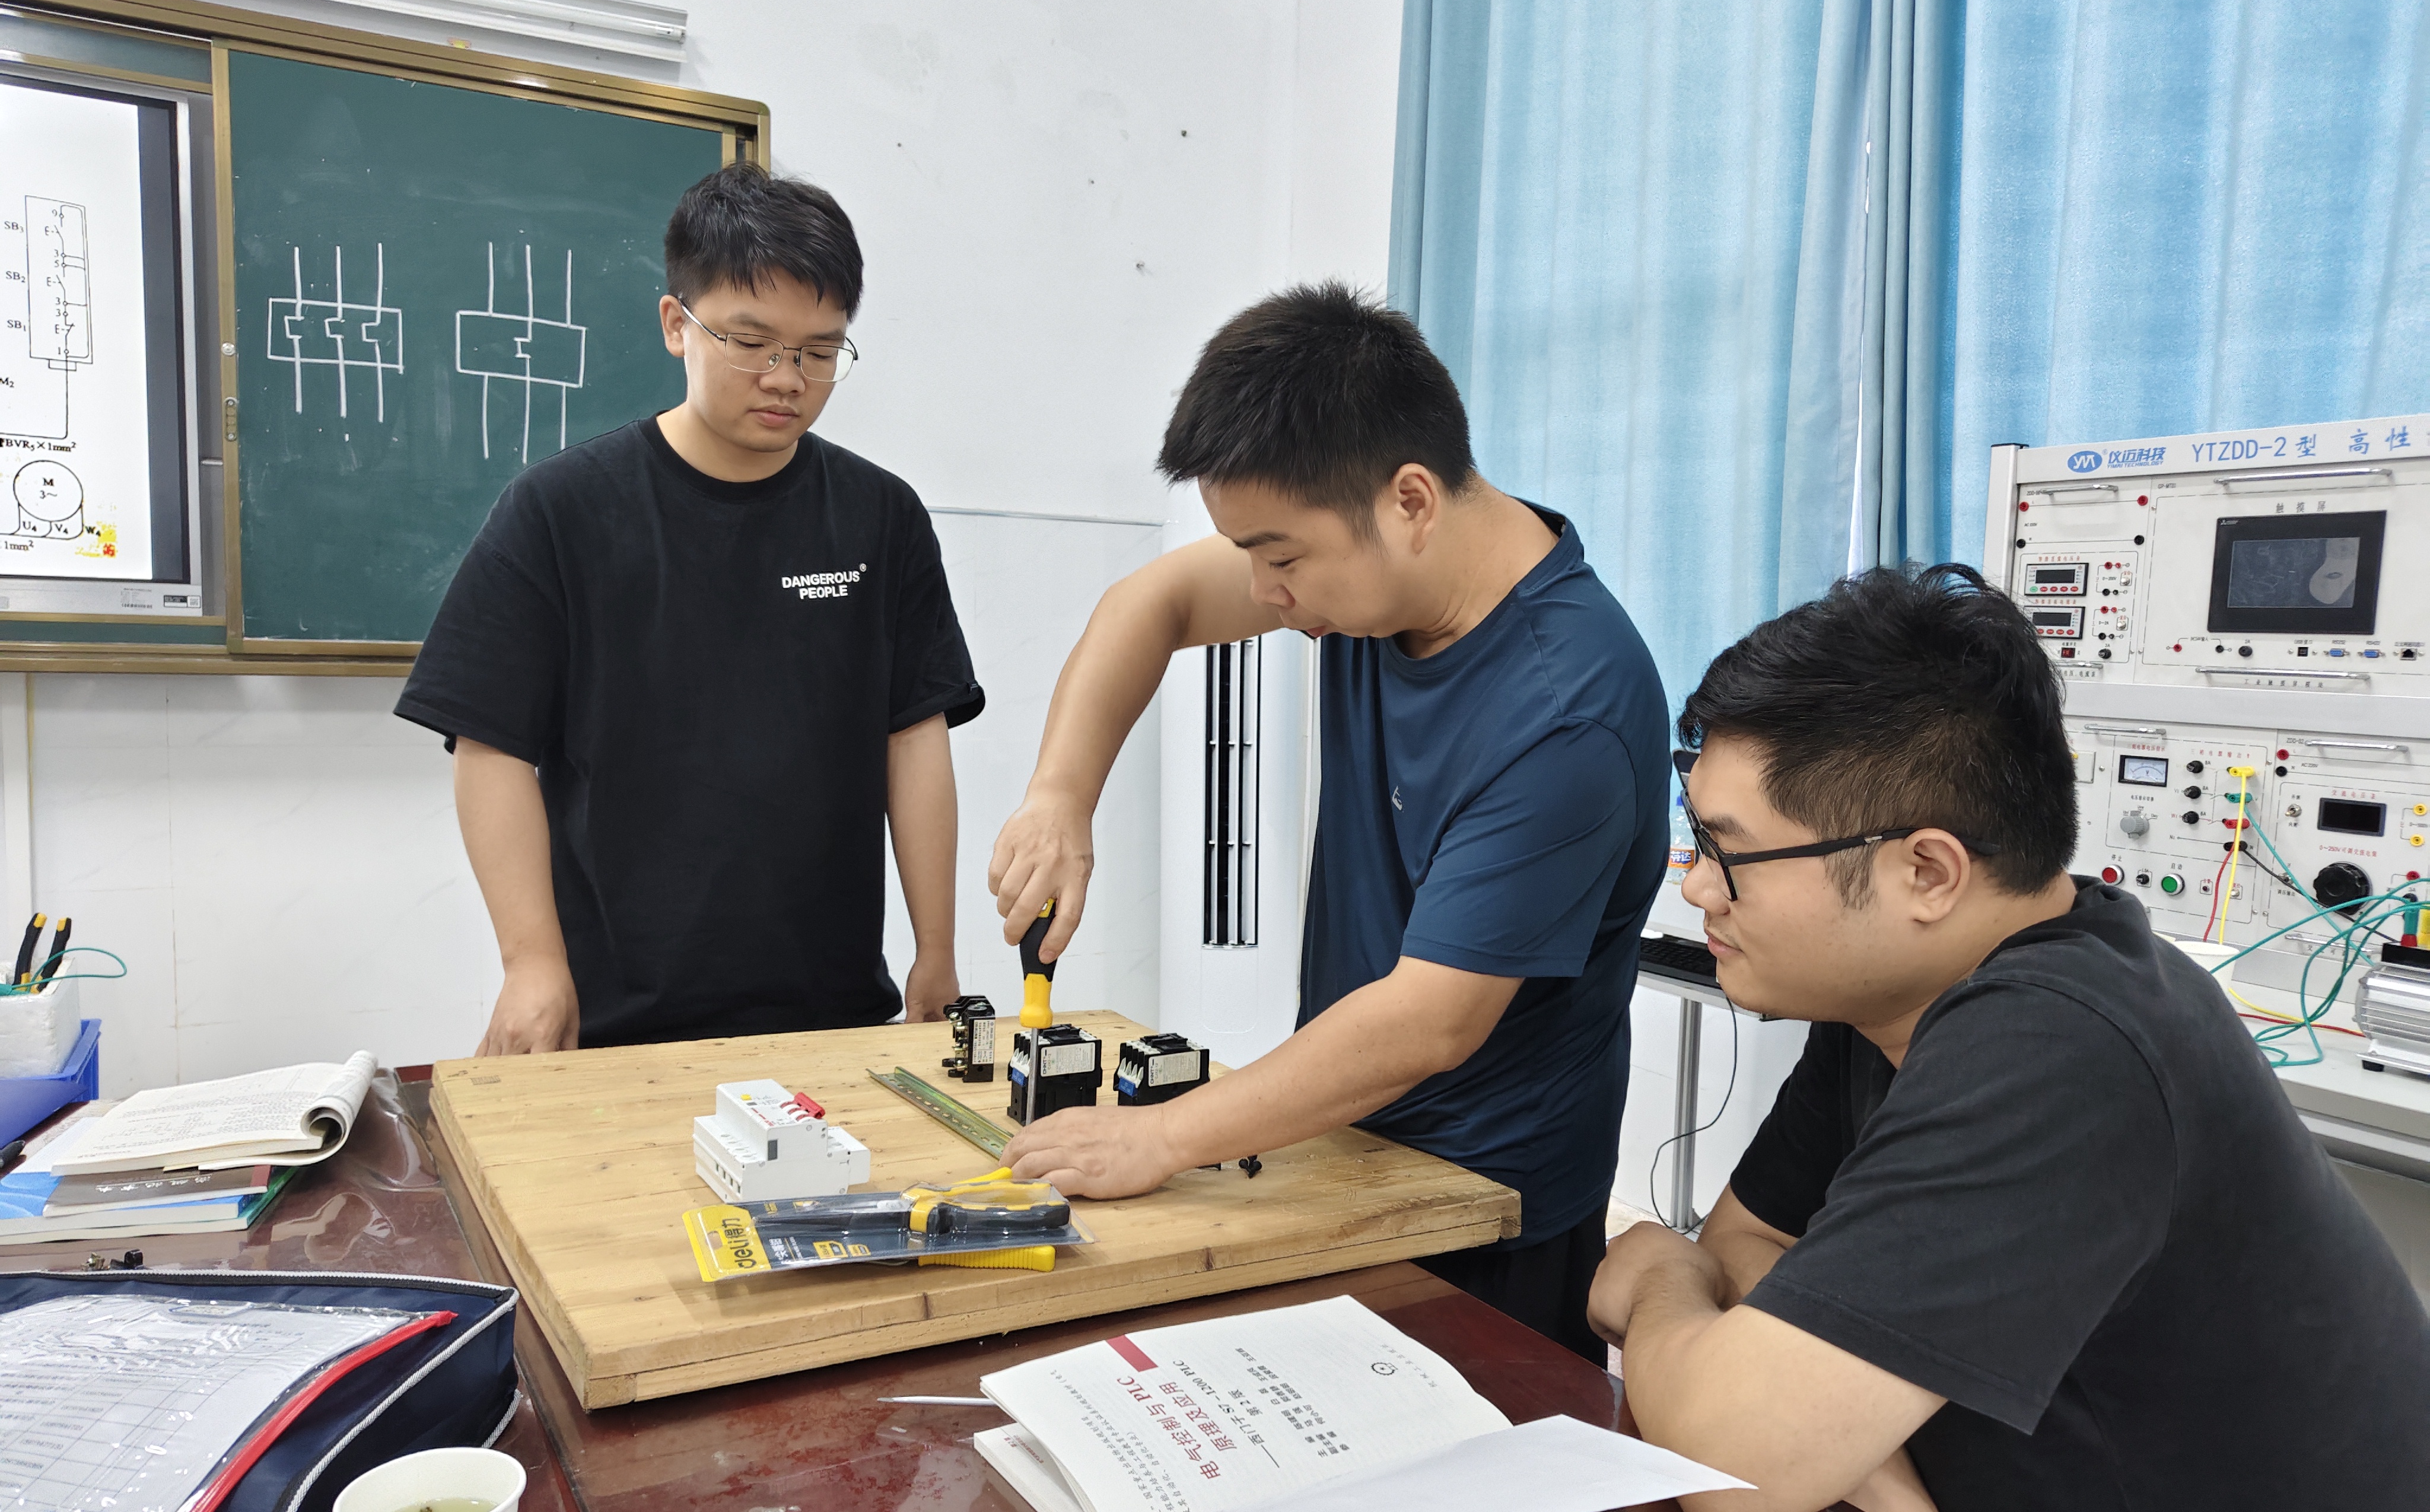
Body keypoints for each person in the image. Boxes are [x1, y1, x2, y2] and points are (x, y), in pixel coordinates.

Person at [1588, 564, 2430, 1512]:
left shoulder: (2063, 1041)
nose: (1697, 888)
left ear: (1927, 872)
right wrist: (1865, 1467)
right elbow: (1751, 1240)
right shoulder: (1899, 999)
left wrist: (1656, 1268)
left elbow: (1730, 1457)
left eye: (1729, 852)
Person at [988, 282, 1668, 1360]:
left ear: (1410, 502)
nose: (1264, 594)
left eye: (1281, 558)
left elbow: (1430, 1022)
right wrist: (1059, 796)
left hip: (1484, 1207)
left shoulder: (1564, 709)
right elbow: (1150, 605)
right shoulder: (1381, 582)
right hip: (1346, 1141)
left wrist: (1162, 1137)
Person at [397, 163, 983, 1053]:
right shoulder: (562, 510)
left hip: (831, 1014)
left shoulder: (881, 515)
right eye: (753, 342)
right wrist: (531, 963)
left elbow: (914, 735)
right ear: (678, 324)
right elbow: (491, 745)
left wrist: (936, 951)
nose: (787, 378)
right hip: (618, 1018)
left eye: (820, 352)